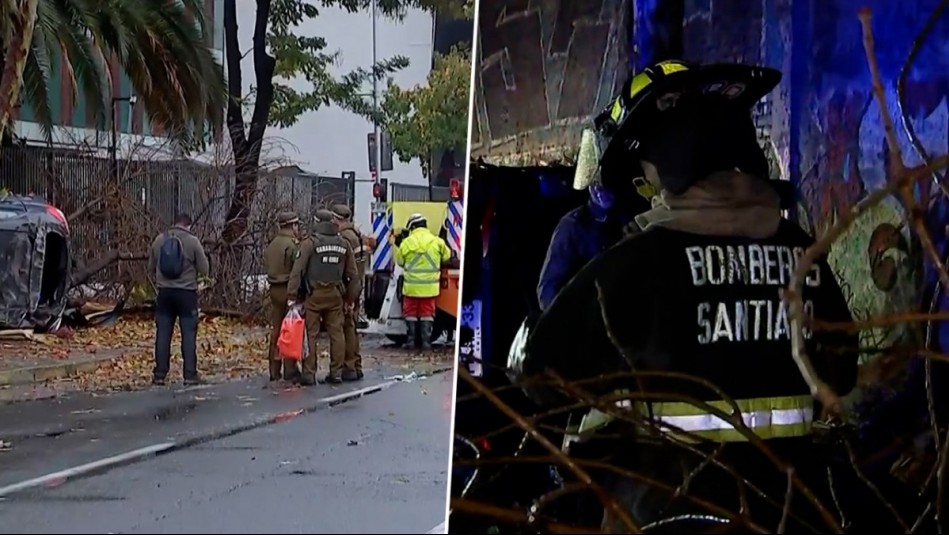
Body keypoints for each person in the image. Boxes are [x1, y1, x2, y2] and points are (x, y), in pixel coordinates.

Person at [518, 60, 859, 531]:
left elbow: (541, 371)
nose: (647, 185)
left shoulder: (638, 263)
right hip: (788, 514)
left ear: (671, 162)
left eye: (647, 167)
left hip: (664, 515)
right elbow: (840, 371)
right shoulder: (805, 256)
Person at [287, 209, 359, 385]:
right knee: (337, 333)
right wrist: (350, 299)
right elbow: (353, 275)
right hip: (335, 295)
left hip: (314, 295)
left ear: (317, 222)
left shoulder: (309, 244)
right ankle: (336, 372)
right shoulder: (344, 244)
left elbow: (297, 271)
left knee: (311, 334)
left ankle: (309, 374)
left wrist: (292, 295)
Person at [148, 213, 210, 386]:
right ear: (188, 225)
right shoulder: (193, 242)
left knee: (163, 333)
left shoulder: (159, 240)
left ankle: (160, 374)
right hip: (186, 294)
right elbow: (204, 269)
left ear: (174, 223)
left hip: (165, 293)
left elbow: (150, 267)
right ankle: (190, 374)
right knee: (188, 334)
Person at [394, 213, 451, 349]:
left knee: (410, 314)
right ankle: (426, 342)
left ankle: (411, 341)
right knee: (427, 314)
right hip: (429, 289)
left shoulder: (406, 243)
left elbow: (400, 262)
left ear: (412, 227)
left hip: (411, 288)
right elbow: (447, 257)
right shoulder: (437, 241)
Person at [263, 211, 302, 382]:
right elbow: (297, 269)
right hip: (288, 289)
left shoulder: (272, 244)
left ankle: (274, 369)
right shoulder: (292, 245)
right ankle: (290, 369)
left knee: (276, 329)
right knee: (290, 330)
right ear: (293, 225)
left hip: (274, 289)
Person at [331, 204, 367, 380]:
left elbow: (345, 269)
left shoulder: (344, 238)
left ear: (337, 219)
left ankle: (349, 366)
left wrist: (347, 296)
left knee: (347, 328)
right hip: (357, 286)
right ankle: (356, 365)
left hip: (348, 289)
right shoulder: (356, 235)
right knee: (352, 327)